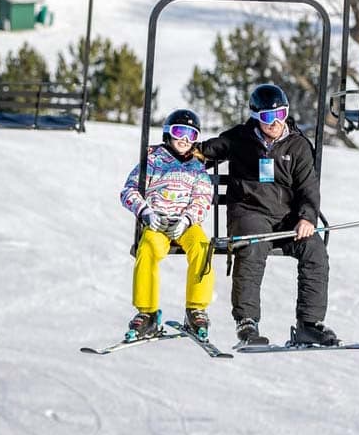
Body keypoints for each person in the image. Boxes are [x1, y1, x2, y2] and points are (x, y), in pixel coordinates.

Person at [199, 84, 337, 346]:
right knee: (252, 246)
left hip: (286, 219)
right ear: (255, 116)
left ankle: (309, 324)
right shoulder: (240, 138)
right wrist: (172, 153)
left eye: (279, 114)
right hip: (249, 213)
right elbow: (203, 151)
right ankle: (247, 322)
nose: (274, 123)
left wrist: (307, 217)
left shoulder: (298, 145)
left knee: (315, 249)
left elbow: (308, 187)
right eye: (266, 117)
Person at [120, 108, 214, 340]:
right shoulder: (153, 160)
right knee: (148, 248)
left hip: (186, 224)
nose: (183, 140)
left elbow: (203, 198)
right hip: (158, 222)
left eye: (190, 135)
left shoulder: (197, 166)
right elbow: (129, 190)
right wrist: (146, 213)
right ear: (167, 134)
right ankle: (147, 312)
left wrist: (187, 219)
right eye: (179, 132)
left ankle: (196, 309)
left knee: (202, 246)